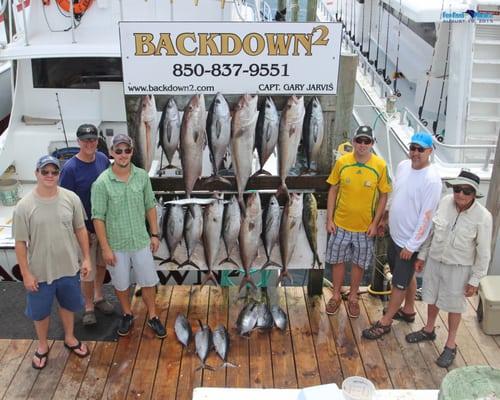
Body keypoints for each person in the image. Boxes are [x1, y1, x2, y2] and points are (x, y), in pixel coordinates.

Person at [405, 170, 492, 368]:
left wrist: (475, 280)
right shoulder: (444, 202)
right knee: (431, 297)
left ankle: (451, 344)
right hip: (435, 261)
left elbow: (484, 252)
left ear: (475, 194)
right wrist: (422, 256)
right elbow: (432, 232)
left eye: (467, 191)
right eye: (457, 189)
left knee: (455, 306)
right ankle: (428, 329)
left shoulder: (483, 217)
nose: (460, 194)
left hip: (459, 268)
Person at [13, 155, 91, 370]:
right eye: (44, 171)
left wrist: (86, 258)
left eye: (54, 172)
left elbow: (80, 229)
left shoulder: (71, 198)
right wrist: (26, 274)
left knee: (68, 305)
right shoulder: (24, 206)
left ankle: (69, 337)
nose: (49, 175)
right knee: (40, 313)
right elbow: (20, 243)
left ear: (59, 174)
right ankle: (42, 345)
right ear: (36, 173)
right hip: (39, 272)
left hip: (69, 269)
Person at [362, 131, 442, 339]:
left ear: (430, 151)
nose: (415, 153)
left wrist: (412, 246)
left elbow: (427, 217)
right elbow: (396, 194)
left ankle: (385, 322)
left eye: (420, 149)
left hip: (408, 243)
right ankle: (408, 310)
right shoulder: (403, 166)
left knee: (398, 282)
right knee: (406, 276)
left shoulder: (432, 180)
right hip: (395, 235)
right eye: (413, 148)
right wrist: (385, 219)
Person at [91, 134, 166, 338]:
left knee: (149, 281)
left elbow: (150, 205)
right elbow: (98, 218)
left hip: (141, 241)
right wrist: (105, 248)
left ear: (132, 152)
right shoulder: (101, 183)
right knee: (121, 283)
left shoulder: (142, 176)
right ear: (111, 152)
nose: (123, 155)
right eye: (119, 151)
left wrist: (155, 234)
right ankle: (127, 313)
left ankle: (153, 316)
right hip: (116, 244)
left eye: (127, 150)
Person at [325, 126, 392, 318]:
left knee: (359, 263)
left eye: (367, 141)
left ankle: (353, 297)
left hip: (365, 229)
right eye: (359, 141)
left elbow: (383, 196)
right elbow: (333, 190)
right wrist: (330, 219)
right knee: (337, 261)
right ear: (353, 142)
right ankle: (336, 295)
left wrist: (375, 223)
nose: (362, 145)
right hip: (340, 224)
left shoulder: (380, 166)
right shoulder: (342, 162)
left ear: (372, 144)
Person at [60, 124, 113, 326]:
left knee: (101, 264)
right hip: (84, 230)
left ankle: (99, 297)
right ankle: (89, 306)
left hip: (104, 226)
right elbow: (65, 203)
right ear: (78, 142)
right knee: (87, 271)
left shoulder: (102, 159)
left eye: (92, 139)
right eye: (85, 140)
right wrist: (76, 231)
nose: (89, 143)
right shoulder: (70, 169)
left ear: (97, 141)